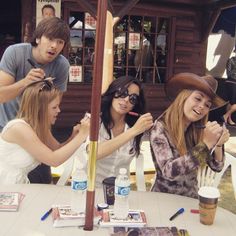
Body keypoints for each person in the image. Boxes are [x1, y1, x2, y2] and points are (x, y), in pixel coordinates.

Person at [0, 17, 70, 183]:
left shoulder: (62, 65)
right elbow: (1, 95)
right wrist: (25, 82)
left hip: (37, 130)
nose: (54, 45)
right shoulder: (15, 53)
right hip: (6, 129)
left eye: (60, 42)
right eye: (50, 39)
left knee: (42, 183)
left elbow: (52, 107)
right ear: (38, 38)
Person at [150, 72, 230, 198]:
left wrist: (218, 144)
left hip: (191, 199)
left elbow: (217, 166)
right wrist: (205, 144)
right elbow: (169, 171)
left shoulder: (198, 129)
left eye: (207, 105)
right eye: (198, 99)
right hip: (163, 198)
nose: (201, 106)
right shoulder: (160, 127)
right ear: (184, 97)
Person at [0, 80, 90, 184]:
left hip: (18, 185)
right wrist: (82, 135)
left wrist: (73, 137)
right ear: (40, 109)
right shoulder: (19, 128)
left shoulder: (39, 127)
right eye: (54, 107)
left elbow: (57, 149)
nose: (59, 110)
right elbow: (54, 160)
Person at [77, 76, 153, 187]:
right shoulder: (93, 119)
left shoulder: (135, 125)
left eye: (133, 98)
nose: (126, 99)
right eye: (122, 93)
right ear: (112, 93)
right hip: (90, 188)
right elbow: (93, 153)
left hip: (120, 190)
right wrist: (133, 131)